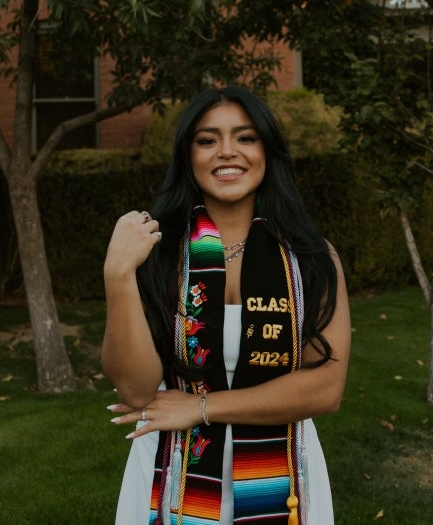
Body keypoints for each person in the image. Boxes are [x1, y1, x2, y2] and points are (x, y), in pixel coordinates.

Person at [102, 86, 351, 525]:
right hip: (170, 471)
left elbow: (325, 389)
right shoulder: (159, 256)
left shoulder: (310, 261)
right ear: (188, 155)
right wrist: (118, 275)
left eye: (245, 137)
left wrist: (200, 408)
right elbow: (137, 393)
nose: (227, 152)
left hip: (284, 477)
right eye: (207, 139)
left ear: (267, 151)